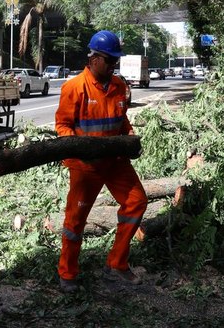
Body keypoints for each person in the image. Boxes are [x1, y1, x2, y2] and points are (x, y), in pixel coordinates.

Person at [54, 30, 148, 293]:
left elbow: (122, 120)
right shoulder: (74, 88)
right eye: (109, 60)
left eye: (115, 61)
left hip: (115, 161)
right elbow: (62, 126)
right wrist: (79, 150)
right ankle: (68, 273)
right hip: (86, 166)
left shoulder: (119, 87)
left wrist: (129, 135)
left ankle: (117, 264)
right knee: (75, 221)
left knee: (137, 201)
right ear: (93, 58)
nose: (112, 66)